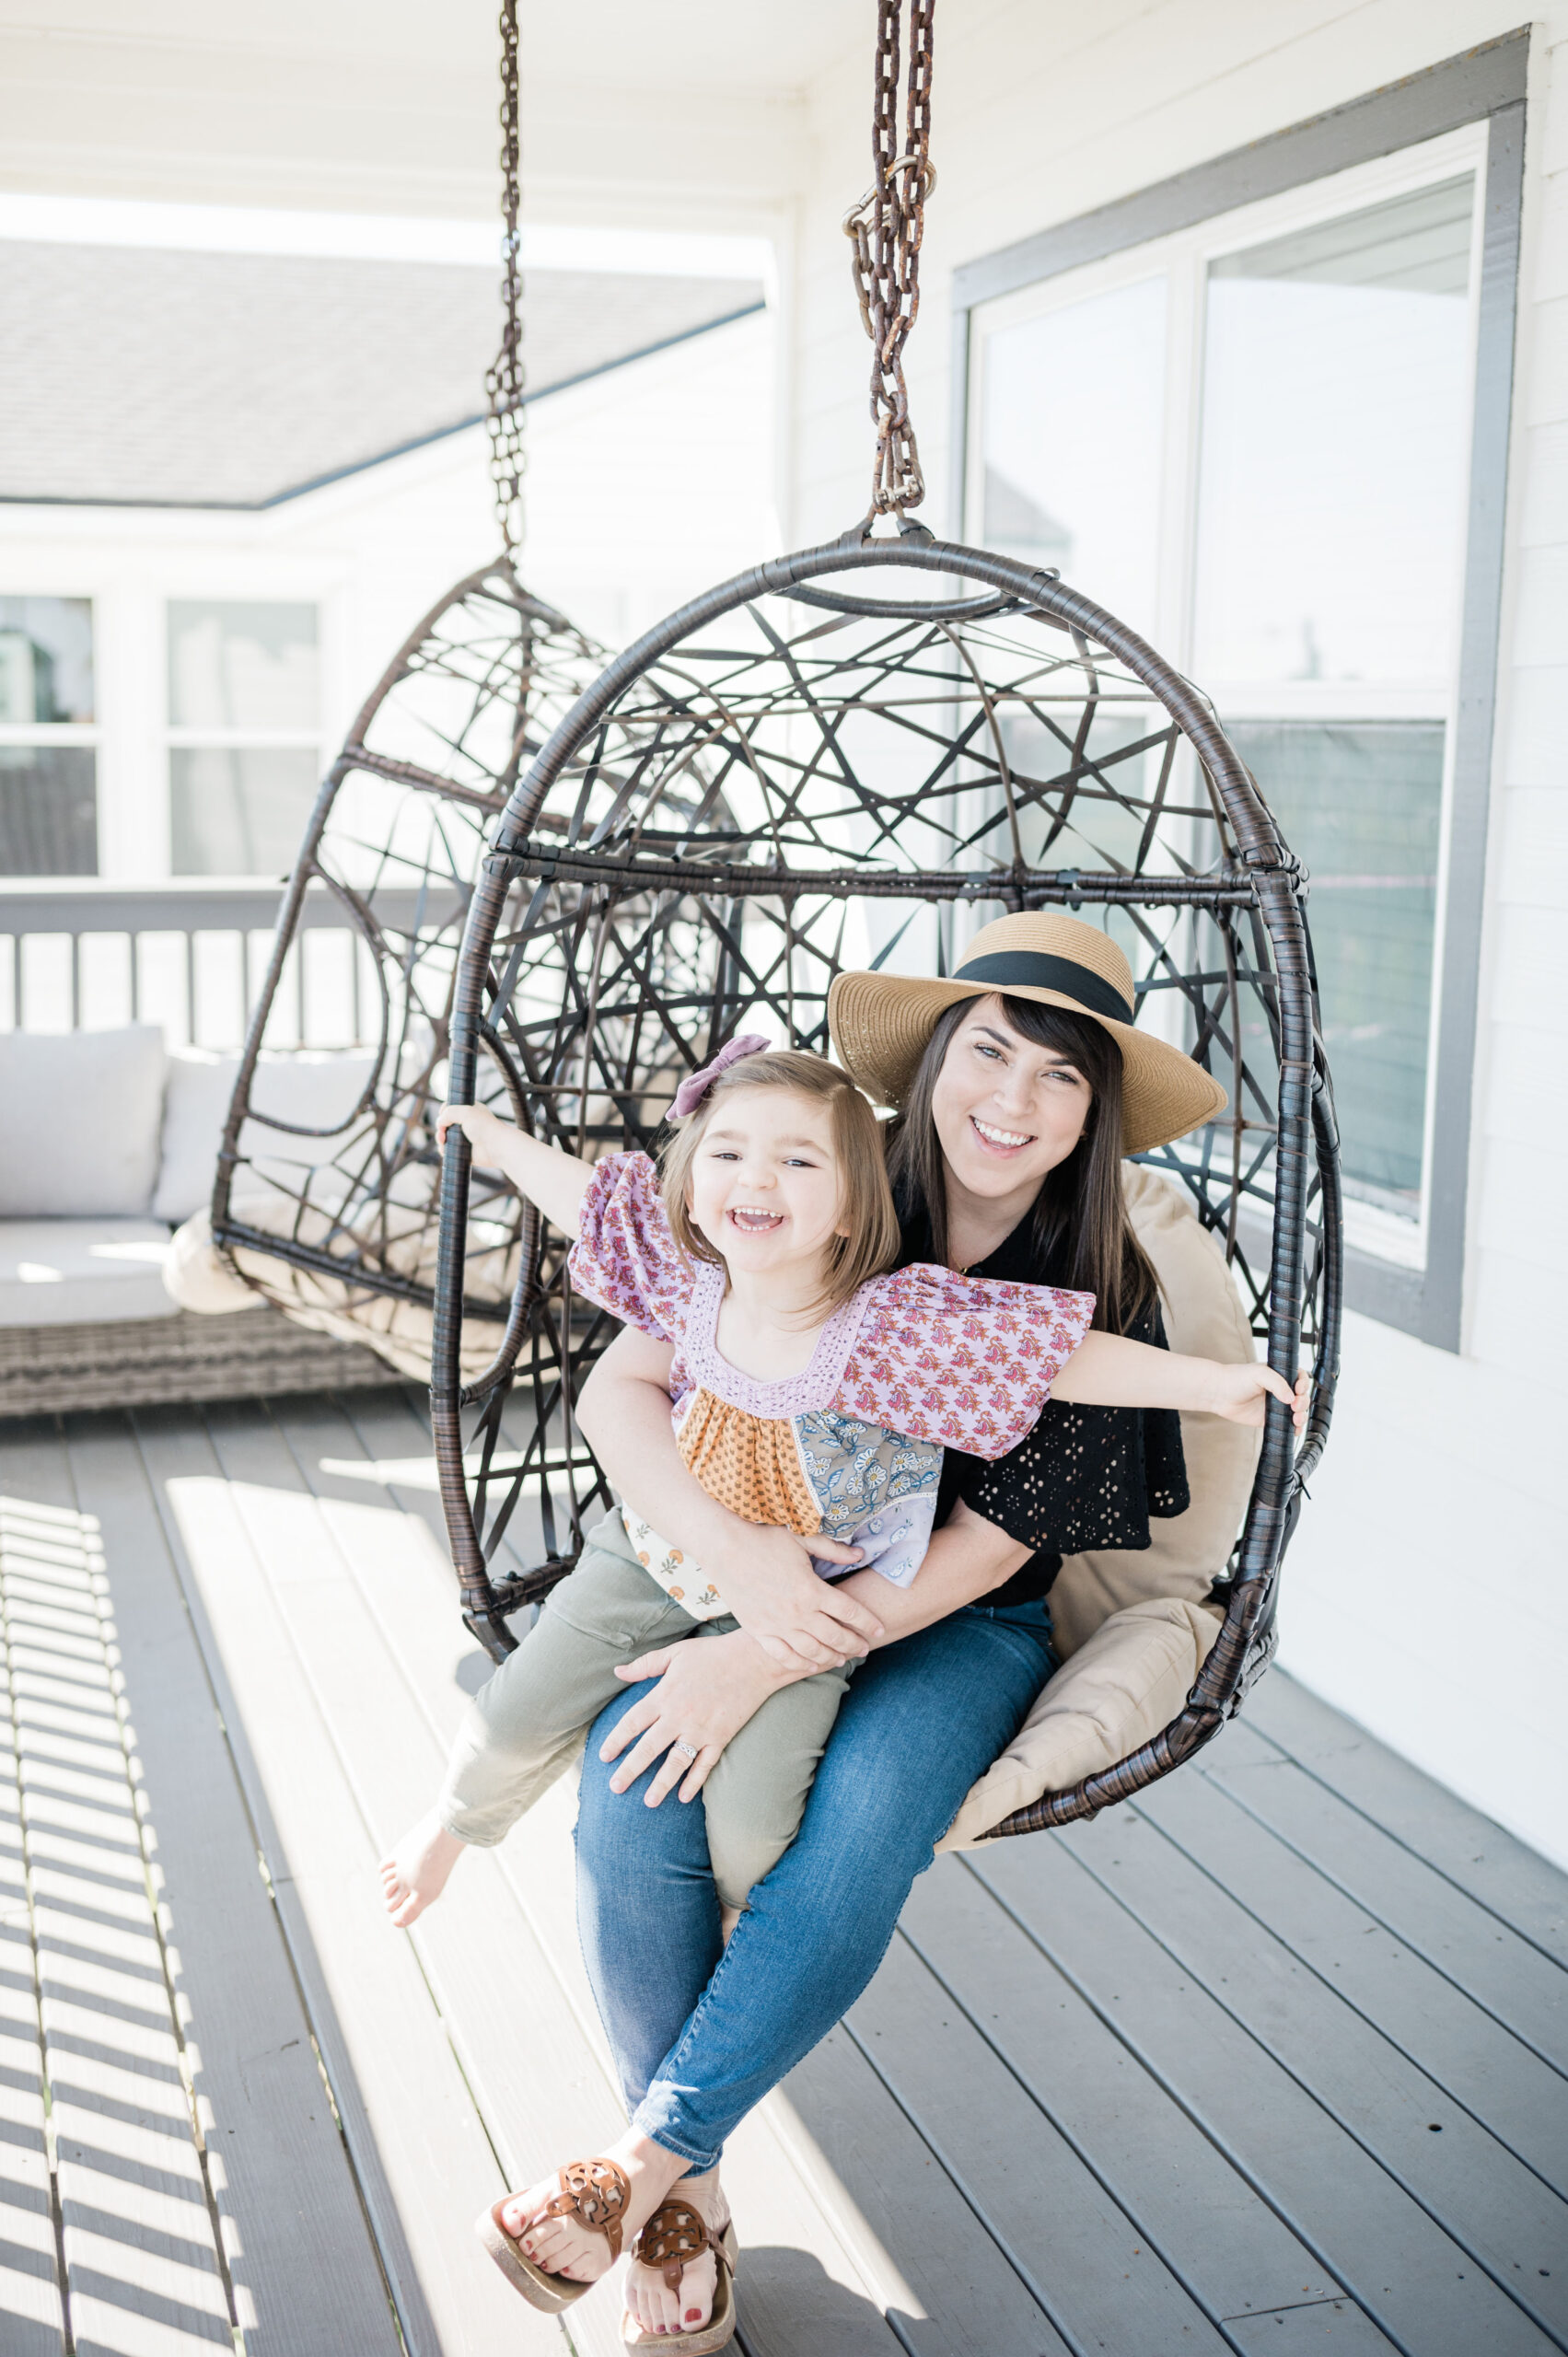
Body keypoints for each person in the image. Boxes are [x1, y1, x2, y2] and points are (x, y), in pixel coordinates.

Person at [422, 913, 1307, 2352]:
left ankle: (645, 2170)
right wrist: (738, 1578)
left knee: (866, 1821)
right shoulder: (821, 1179)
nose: (1012, 1104)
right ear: (935, 1060)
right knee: (635, 1783)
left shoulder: (1096, 1288)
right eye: (989, 1053)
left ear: (1095, 1115)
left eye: (1061, 1079)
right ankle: (686, 2197)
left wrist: (763, 1650)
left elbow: (990, 1550)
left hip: (949, 1618)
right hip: (745, 1562)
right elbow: (624, 1385)